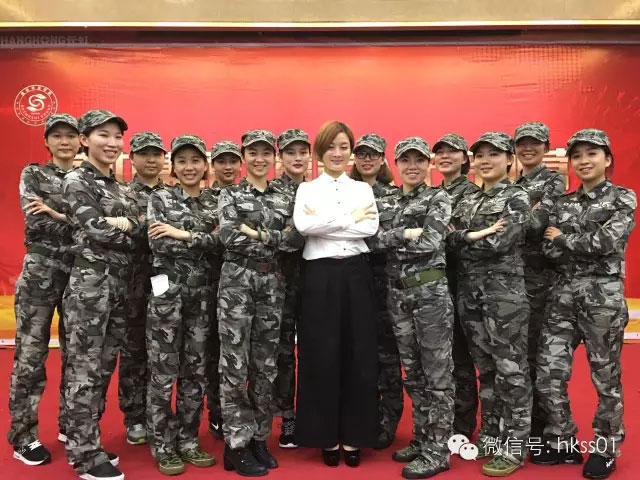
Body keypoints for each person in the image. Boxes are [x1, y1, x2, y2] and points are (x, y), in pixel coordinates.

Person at [535, 129, 636, 480]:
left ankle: (606, 449)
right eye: (577, 155)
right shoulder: (563, 203)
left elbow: (608, 242)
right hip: (562, 296)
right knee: (548, 373)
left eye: (592, 153)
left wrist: (565, 239)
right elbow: (547, 250)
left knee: (605, 378)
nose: (583, 161)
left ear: (607, 159)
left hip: (602, 298)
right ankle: (562, 439)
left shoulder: (623, 197)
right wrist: (571, 242)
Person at [293, 121, 380, 468]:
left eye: (344, 146)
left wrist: (327, 221)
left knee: (359, 354)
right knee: (321, 353)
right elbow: (304, 226)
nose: (337, 153)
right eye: (331, 146)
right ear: (319, 151)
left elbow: (369, 227)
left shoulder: (362, 189)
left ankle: (355, 435)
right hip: (320, 275)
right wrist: (349, 218)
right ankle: (325, 436)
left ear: (351, 151)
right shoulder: (306, 189)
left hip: (357, 274)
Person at [368, 137, 455, 479]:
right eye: (406, 160)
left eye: (419, 160)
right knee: (414, 373)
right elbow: (370, 240)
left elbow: (431, 241)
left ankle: (438, 450)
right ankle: (422, 438)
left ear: (428, 163)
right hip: (398, 295)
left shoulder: (438, 197)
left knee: (437, 374)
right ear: (397, 164)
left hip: (430, 293)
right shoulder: (386, 201)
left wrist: (391, 238)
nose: (412, 166)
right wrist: (403, 234)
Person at [63, 110, 143, 480]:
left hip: (119, 287)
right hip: (90, 287)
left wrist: (127, 226)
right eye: (103, 135)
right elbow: (96, 229)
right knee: (84, 369)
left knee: (104, 368)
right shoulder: (77, 179)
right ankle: (84, 455)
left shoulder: (120, 187)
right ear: (84, 140)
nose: (112, 143)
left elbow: (142, 229)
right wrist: (123, 227)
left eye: (116, 137)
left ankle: (88, 441)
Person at [217, 130, 303, 476]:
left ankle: (258, 437)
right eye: (253, 153)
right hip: (237, 283)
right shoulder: (230, 194)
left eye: (266, 153)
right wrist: (276, 239)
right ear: (244, 157)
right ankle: (236, 443)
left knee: (266, 366)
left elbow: (296, 239)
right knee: (235, 364)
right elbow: (229, 236)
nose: (259, 159)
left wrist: (258, 234)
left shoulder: (286, 196)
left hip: (273, 285)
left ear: (273, 157)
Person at [447, 132, 531, 476]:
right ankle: (492, 436)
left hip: (503, 295)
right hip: (470, 294)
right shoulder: (468, 198)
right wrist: (466, 237)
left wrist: (462, 239)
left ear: (509, 159)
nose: (485, 161)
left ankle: (515, 446)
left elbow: (500, 242)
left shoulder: (517, 197)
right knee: (487, 370)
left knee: (511, 370)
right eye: (480, 155)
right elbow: (446, 238)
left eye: (494, 154)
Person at [9, 113, 80, 466]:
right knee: (31, 355)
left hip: (79, 274)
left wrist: (60, 214)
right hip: (40, 272)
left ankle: (71, 424)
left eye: (71, 135)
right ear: (47, 142)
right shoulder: (34, 174)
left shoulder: (88, 179)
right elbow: (37, 220)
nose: (64, 141)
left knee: (77, 355)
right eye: (57, 136)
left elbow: (97, 226)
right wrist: (77, 220)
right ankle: (24, 436)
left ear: (81, 141)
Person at [146, 134, 218, 475]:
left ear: (205, 165)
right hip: (167, 298)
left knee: (196, 372)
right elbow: (158, 244)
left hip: (202, 298)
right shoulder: (160, 197)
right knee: (163, 372)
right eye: (182, 161)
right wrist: (202, 239)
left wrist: (182, 234)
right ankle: (162, 444)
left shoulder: (216, 200)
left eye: (195, 161)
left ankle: (188, 440)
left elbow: (223, 242)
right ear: (172, 166)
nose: (189, 167)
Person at [350, 133, 404, 449]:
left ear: (383, 158)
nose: (367, 159)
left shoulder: (394, 196)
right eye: (362, 154)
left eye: (373, 154)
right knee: (357, 356)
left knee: (388, 357)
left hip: (386, 285)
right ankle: (362, 417)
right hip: (353, 283)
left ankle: (388, 420)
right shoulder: (345, 193)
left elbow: (391, 237)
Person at [512, 122, 565, 439]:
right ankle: (525, 417)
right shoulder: (515, 183)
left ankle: (542, 423)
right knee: (518, 352)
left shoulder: (553, 181)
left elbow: (535, 224)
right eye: (522, 143)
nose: (528, 148)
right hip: (514, 278)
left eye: (535, 143)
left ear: (546, 147)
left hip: (540, 280)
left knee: (536, 353)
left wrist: (508, 219)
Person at [118, 132, 167, 446]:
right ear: (132, 158)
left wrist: (133, 224)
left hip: (166, 281)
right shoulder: (120, 194)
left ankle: (158, 413)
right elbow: (117, 232)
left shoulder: (173, 195)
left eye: (156, 154)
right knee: (133, 349)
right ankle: (134, 415)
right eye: (144, 154)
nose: (151, 160)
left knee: (164, 350)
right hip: (132, 280)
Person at [432, 133, 480, 440]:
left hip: (466, 283)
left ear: (465, 159)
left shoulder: (474, 195)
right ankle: (444, 421)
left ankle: (463, 422)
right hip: (436, 284)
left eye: (453, 151)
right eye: (440, 152)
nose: (445, 156)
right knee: (442, 358)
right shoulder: (431, 194)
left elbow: (462, 238)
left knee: (463, 357)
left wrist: (446, 235)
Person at [271, 129, 311, 449]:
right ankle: (287, 416)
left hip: (316, 281)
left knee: (315, 351)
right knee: (282, 352)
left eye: (302, 152)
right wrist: (300, 230)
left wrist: (292, 231)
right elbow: (278, 240)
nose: (297, 158)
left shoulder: (319, 191)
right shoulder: (271, 192)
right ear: (280, 157)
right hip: (280, 282)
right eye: (290, 152)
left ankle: (314, 414)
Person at [205, 140, 242, 441]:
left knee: (237, 354)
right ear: (212, 165)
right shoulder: (202, 198)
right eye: (221, 161)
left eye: (232, 161)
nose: (227, 167)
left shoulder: (244, 197)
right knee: (210, 352)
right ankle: (216, 412)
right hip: (206, 281)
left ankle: (237, 414)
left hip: (240, 285)